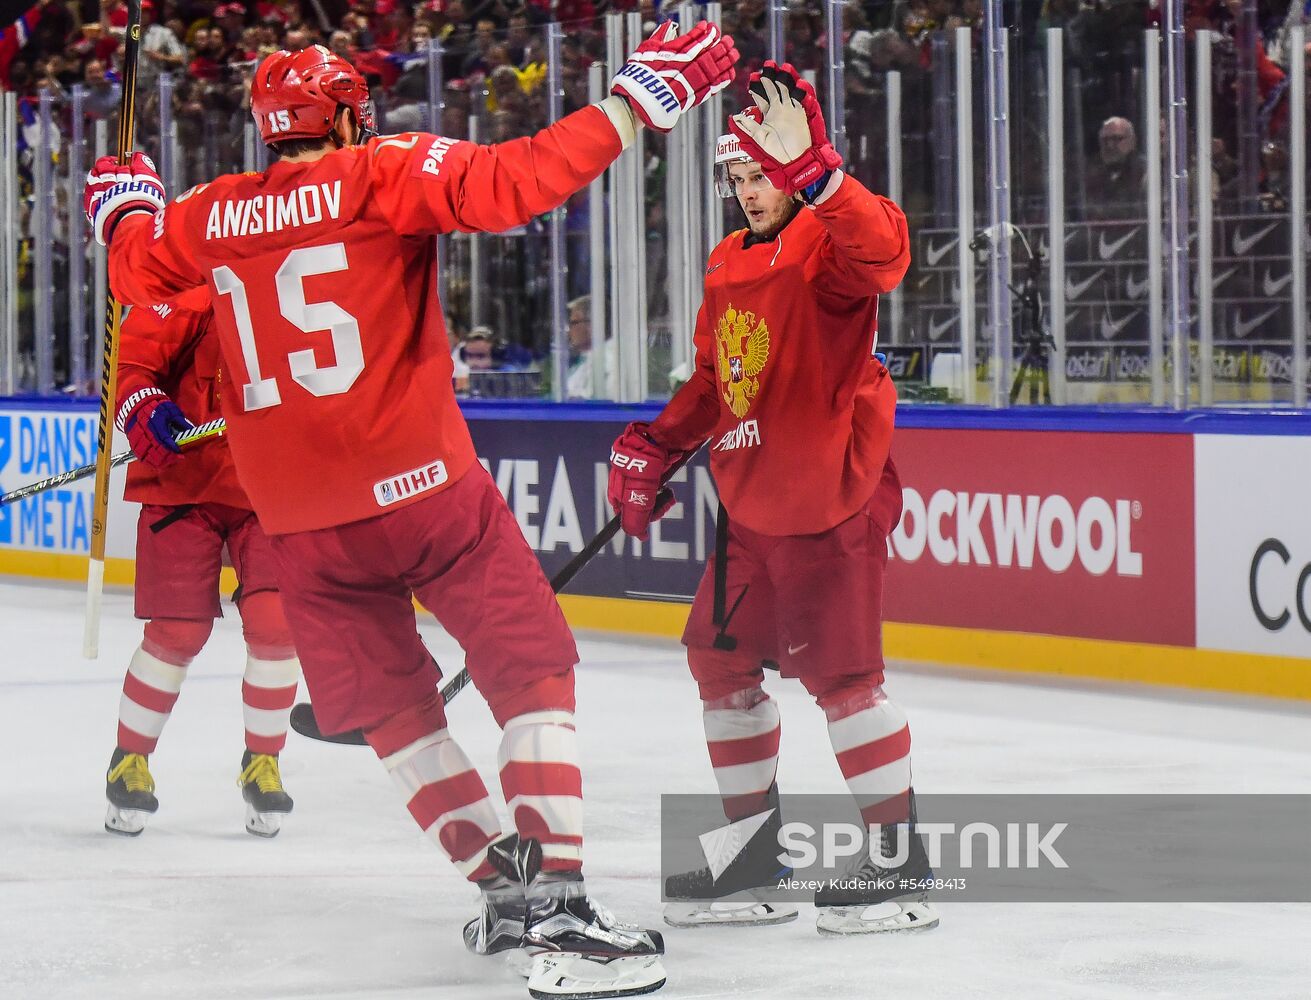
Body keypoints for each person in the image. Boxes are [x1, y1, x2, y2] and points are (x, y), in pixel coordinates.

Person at [85, 26, 737, 998]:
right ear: (348, 116)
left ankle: (502, 891)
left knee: (395, 715)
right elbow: (518, 181)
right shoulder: (379, 171)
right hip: (425, 492)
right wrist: (629, 104)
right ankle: (559, 908)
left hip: (302, 525)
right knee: (530, 670)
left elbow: (136, 267)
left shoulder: (211, 211)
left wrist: (126, 207)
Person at [606, 63, 936, 936]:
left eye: (763, 174)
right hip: (750, 508)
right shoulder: (726, 259)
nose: (750, 192)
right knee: (717, 666)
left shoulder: (829, 246)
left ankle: (900, 868)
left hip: (828, 499)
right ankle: (754, 858)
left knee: (845, 683)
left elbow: (886, 254)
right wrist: (656, 444)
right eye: (739, 178)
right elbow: (715, 380)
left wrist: (823, 178)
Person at [105, 292, 302, 839]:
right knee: (177, 630)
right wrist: (141, 405)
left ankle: (263, 762)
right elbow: (132, 364)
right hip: (182, 483)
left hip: (269, 486)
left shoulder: (290, 281)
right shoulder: (184, 284)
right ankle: (129, 760)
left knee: (277, 623)